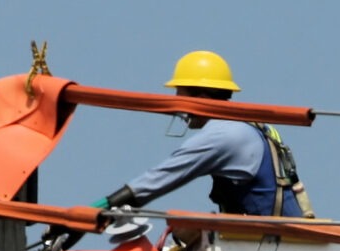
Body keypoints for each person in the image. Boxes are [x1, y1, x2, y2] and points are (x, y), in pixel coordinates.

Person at [96, 50, 312, 218]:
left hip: (271, 246)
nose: (179, 107)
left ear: (200, 97)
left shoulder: (222, 136)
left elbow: (156, 180)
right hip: (283, 241)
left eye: (180, 97)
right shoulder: (249, 125)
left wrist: (99, 208)